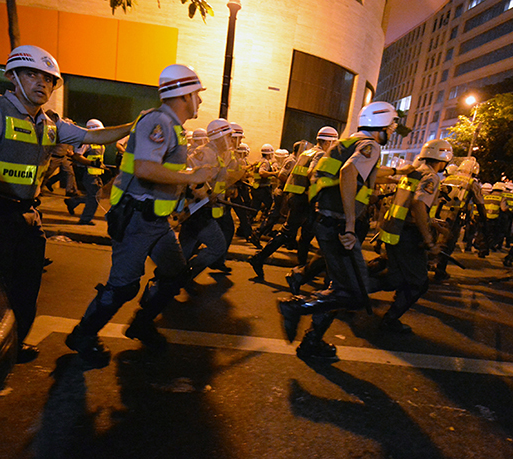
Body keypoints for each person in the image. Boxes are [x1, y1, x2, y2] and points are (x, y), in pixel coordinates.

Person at [0, 45, 132, 363]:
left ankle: (15, 343)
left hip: (29, 216)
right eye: (33, 75)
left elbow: (94, 137)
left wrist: (136, 126)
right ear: (12, 76)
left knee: (27, 286)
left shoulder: (50, 124)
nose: (42, 84)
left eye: (49, 79)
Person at [66, 64, 215, 368]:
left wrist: (193, 187)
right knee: (123, 286)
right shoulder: (158, 122)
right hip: (136, 219)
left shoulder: (174, 128)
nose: (200, 99)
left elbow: (166, 172)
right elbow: (145, 168)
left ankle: (142, 323)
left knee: (174, 274)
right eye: (197, 93)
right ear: (184, 94)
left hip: (156, 222)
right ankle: (82, 335)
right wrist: (191, 176)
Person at [277, 101, 413, 360]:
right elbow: (351, 171)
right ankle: (296, 308)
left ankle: (312, 341)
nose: (394, 129)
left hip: (325, 219)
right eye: (393, 123)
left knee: (340, 289)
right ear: (381, 123)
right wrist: (350, 224)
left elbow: (359, 170)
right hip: (340, 224)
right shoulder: (370, 145)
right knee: (355, 292)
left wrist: (396, 172)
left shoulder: (348, 143)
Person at [374, 139, 451, 333]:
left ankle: (351, 289)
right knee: (418, 283)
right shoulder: (431, 176)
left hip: (394, 231)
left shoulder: (414, 173)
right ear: (443, 159)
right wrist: (428, 240)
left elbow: (409, 204)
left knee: (395, 278)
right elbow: (418, 205)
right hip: (408, 236)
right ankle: (389, 319)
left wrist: (432, 222)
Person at [248, 127, 338, 279]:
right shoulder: (321, 154)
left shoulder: (307, 152)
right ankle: (262, 258)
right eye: (333, 143)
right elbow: (312, 173)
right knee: (291, 232)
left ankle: (301, 267)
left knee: (305, 233)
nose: (334, 146)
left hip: (296, 197)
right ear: (328, 142)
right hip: (304, 199)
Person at [179, 118, 235, 282]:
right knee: (218, 247)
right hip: (197, 209)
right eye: (229, 136)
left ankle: (169, 279)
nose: (231, 140)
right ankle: (184, 276)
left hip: (199, 209)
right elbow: (189, 177)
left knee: (185, 249)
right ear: (221, 136)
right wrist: (206, 194)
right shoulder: (206, 153)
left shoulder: (217, 154)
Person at [65, 119, 108, 225]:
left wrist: (103, 167)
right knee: (94, 197)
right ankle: (85, 219)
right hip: (88, 173)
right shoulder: (86, 142)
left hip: (97, 173)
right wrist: (91, 163)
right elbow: (77, 156)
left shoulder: (99, 142)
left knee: (94, 196)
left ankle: (73, 201)